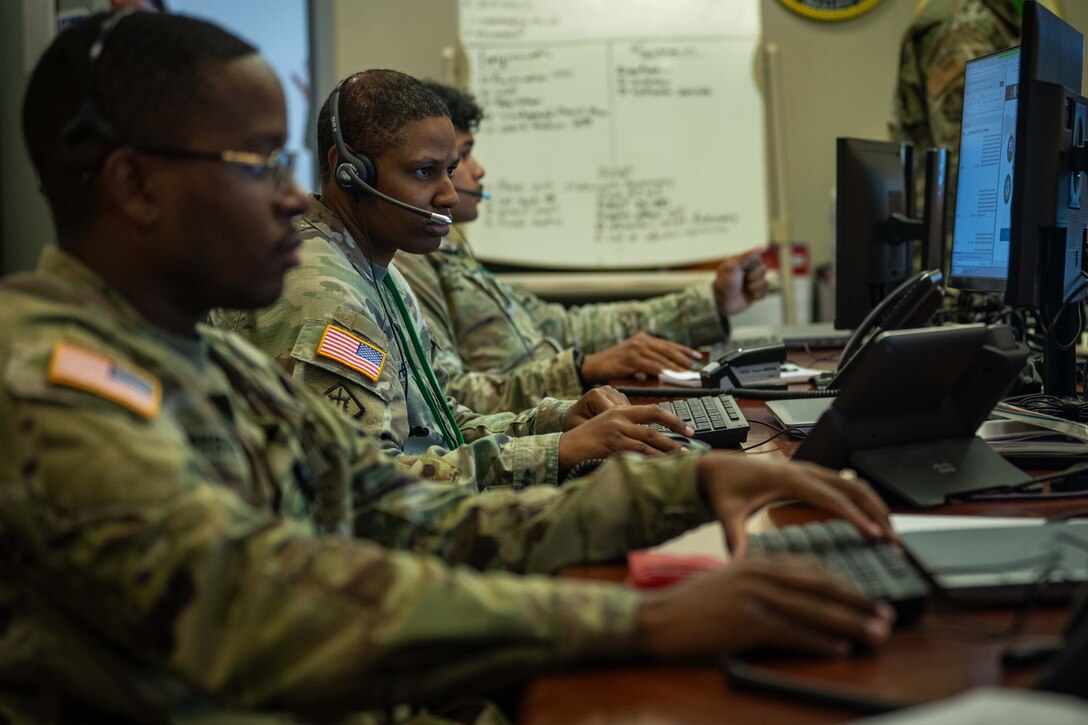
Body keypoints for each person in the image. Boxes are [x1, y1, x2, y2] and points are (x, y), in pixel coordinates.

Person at [4, 11, 897, 721]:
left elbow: (395, 509)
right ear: (132, 185)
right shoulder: (51, 382)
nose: (290, 196)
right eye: (256, 166)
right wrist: (644, 619)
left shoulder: (209, 362)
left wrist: (687, 488)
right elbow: (260, 604)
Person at [212, 70, 697, 487]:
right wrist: (557, 453)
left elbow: (439, 424)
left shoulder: (380, 272)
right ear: (348, 173)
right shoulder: (321, 295)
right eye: (424, 172)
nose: (447, 194)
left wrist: (556, 422)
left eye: (450, 170)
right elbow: (366, 488)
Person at [394, 82, 770, 414]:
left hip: (557, 417)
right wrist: (582, 370)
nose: (478, 171)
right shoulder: (409, 260)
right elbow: (448, 400)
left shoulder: (451, 245)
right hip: (531, 436)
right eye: (463, 157)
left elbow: (560, 326)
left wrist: (712, 302)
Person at [891, 0, 1022, 226]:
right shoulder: (964, 32)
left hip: (964, 237)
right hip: (955, 244)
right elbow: (973, 163)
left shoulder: (1001, 20)